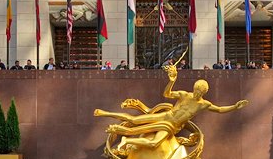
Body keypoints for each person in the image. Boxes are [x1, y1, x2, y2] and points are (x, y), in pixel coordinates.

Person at [94, 64, 248, 150]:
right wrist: (172, 80)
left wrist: (235, 106)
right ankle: (104, 113)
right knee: (135, 120)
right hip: (165, 116)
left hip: (172, 127)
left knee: (154, 143)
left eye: (199, 92)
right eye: (195, 90)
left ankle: (127, 140)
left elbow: (219, 109)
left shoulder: (203, 104)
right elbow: (167, 94)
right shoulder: (184, 95)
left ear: (203, 92)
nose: (195, 93)